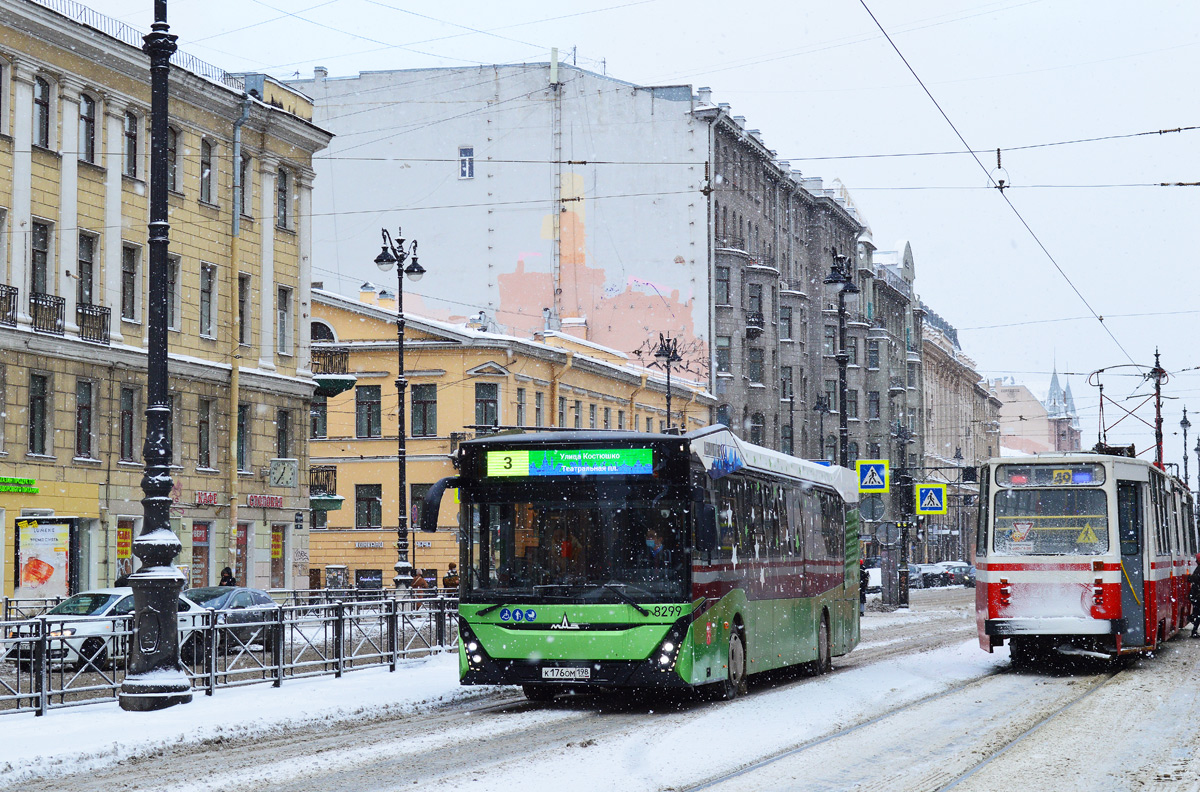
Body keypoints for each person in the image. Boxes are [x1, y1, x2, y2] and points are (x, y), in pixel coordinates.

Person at [1188, 553, 1200, 638]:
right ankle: (1194, 630)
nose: (1195, 561)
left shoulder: (1198, 569)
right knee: (1198, 613)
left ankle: (1192, 617)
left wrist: (1189, 577)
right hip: (1197, 595)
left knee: (1198, 613)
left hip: (1196, 595)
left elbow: (1195, 579)